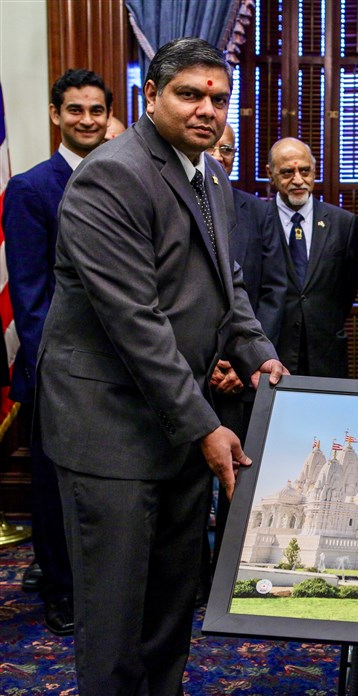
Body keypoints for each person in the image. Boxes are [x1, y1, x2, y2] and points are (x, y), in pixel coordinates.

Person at [37, 38, 287, 695]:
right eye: (190, 94)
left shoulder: (210, 179)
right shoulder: (112, 174)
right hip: (111, 430)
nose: (207, 109)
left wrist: (262, 358)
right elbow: (135, 322)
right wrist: (206, 427)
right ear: (151, 97)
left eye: (219, 98)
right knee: (115, 617)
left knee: (171, 610)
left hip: (177, 429)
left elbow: (229, 291)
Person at [3, 68, 112, 635]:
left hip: (120, 369)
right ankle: (62, 591)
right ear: (55, 115)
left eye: (96, 110)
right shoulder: (30, 188)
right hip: (58, 372)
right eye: (75, 110)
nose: (87, 120)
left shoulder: (124, 180)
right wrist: (60, 370)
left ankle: (98, 584)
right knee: (54, 487)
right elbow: (30, 295)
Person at [204, 123, 288, 586]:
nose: (221, 154)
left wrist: (245, 362)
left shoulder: (256, 212)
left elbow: (273, 291)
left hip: (243, 372)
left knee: (240, 476)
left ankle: (229, 574)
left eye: (229, 149)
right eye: (215, 146)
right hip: (192, 374)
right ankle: (192, 580)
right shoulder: (176, 198)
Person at [267, 137, 358, 377]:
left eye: (305, 171)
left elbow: (347, 290)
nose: (298, 180)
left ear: (315, 171)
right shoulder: (257, 220)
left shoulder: (343, 223)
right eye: (287, 172)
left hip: (326, 351)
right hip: (272, 351)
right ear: (271, 174)